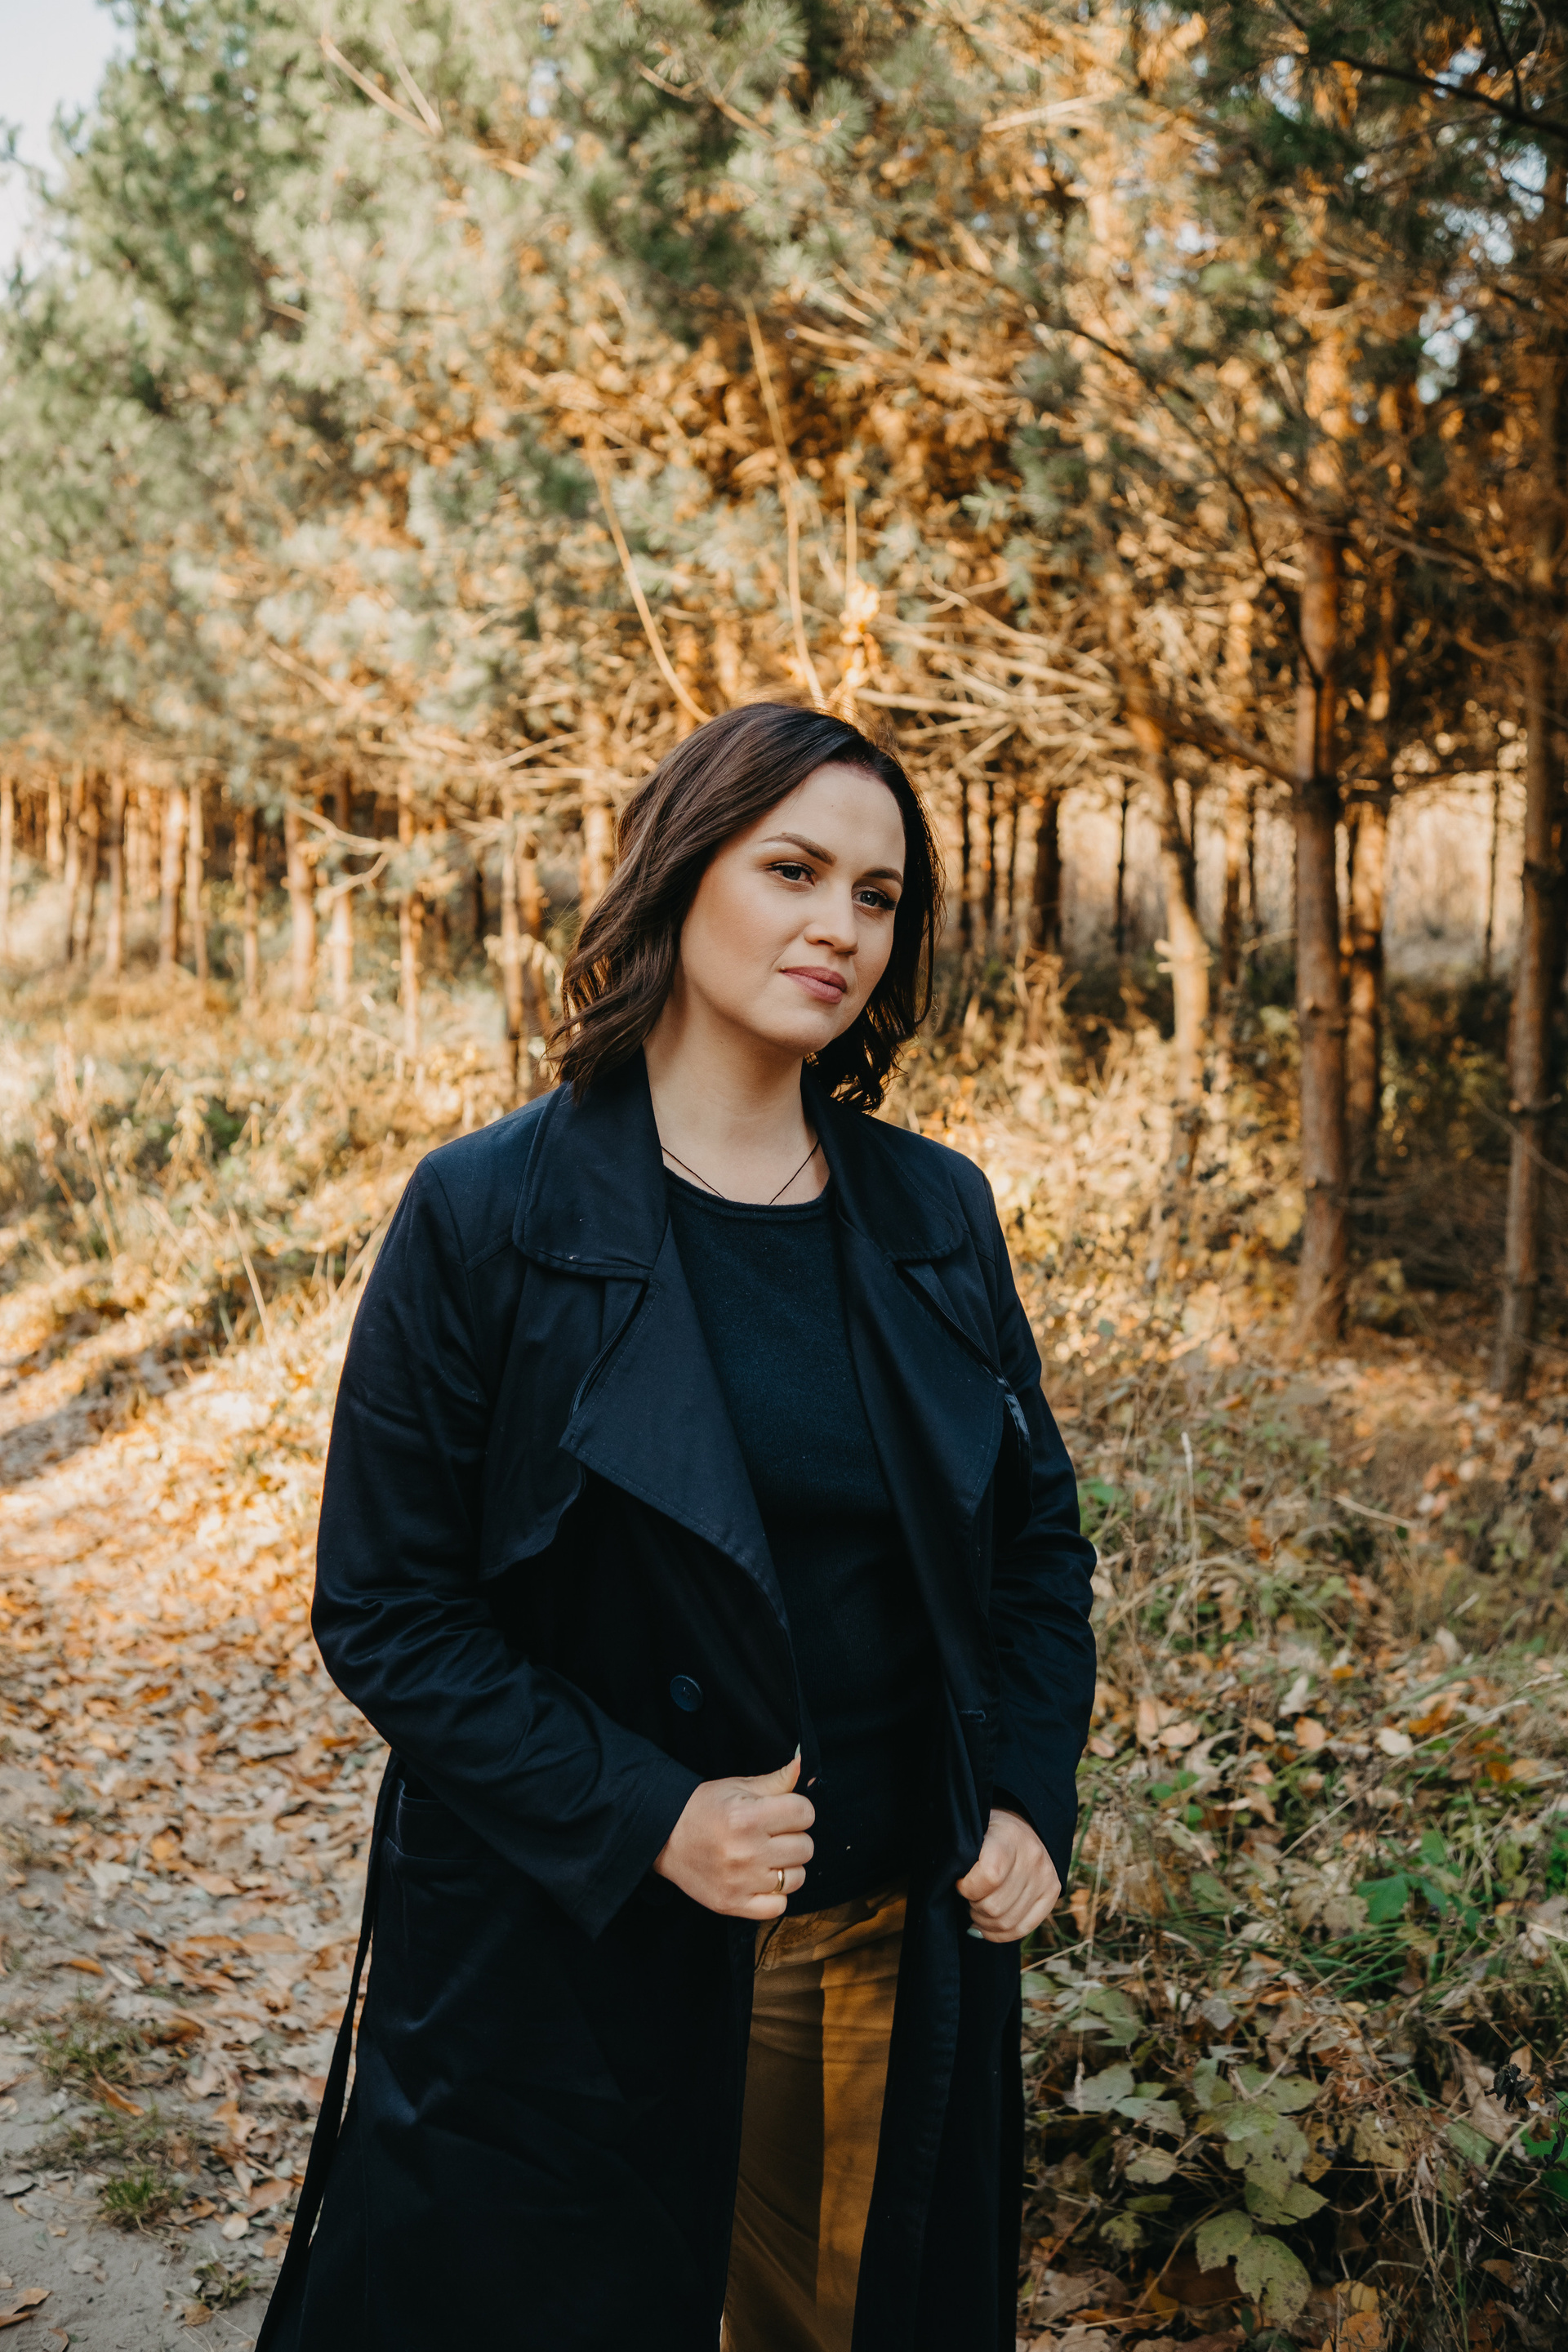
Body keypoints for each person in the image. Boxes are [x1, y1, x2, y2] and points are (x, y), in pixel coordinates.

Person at [256, 702, 1096, 2352]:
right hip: (570, 1950)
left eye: (878, 895)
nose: (839, 925)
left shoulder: (933, 1211)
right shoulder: (489, 1212)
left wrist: (1022, 1790)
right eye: (793, 870)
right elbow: (388, 1609)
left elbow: (1032, 1548)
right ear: (682, 871)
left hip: (877, 1936)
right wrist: (652, 1811)